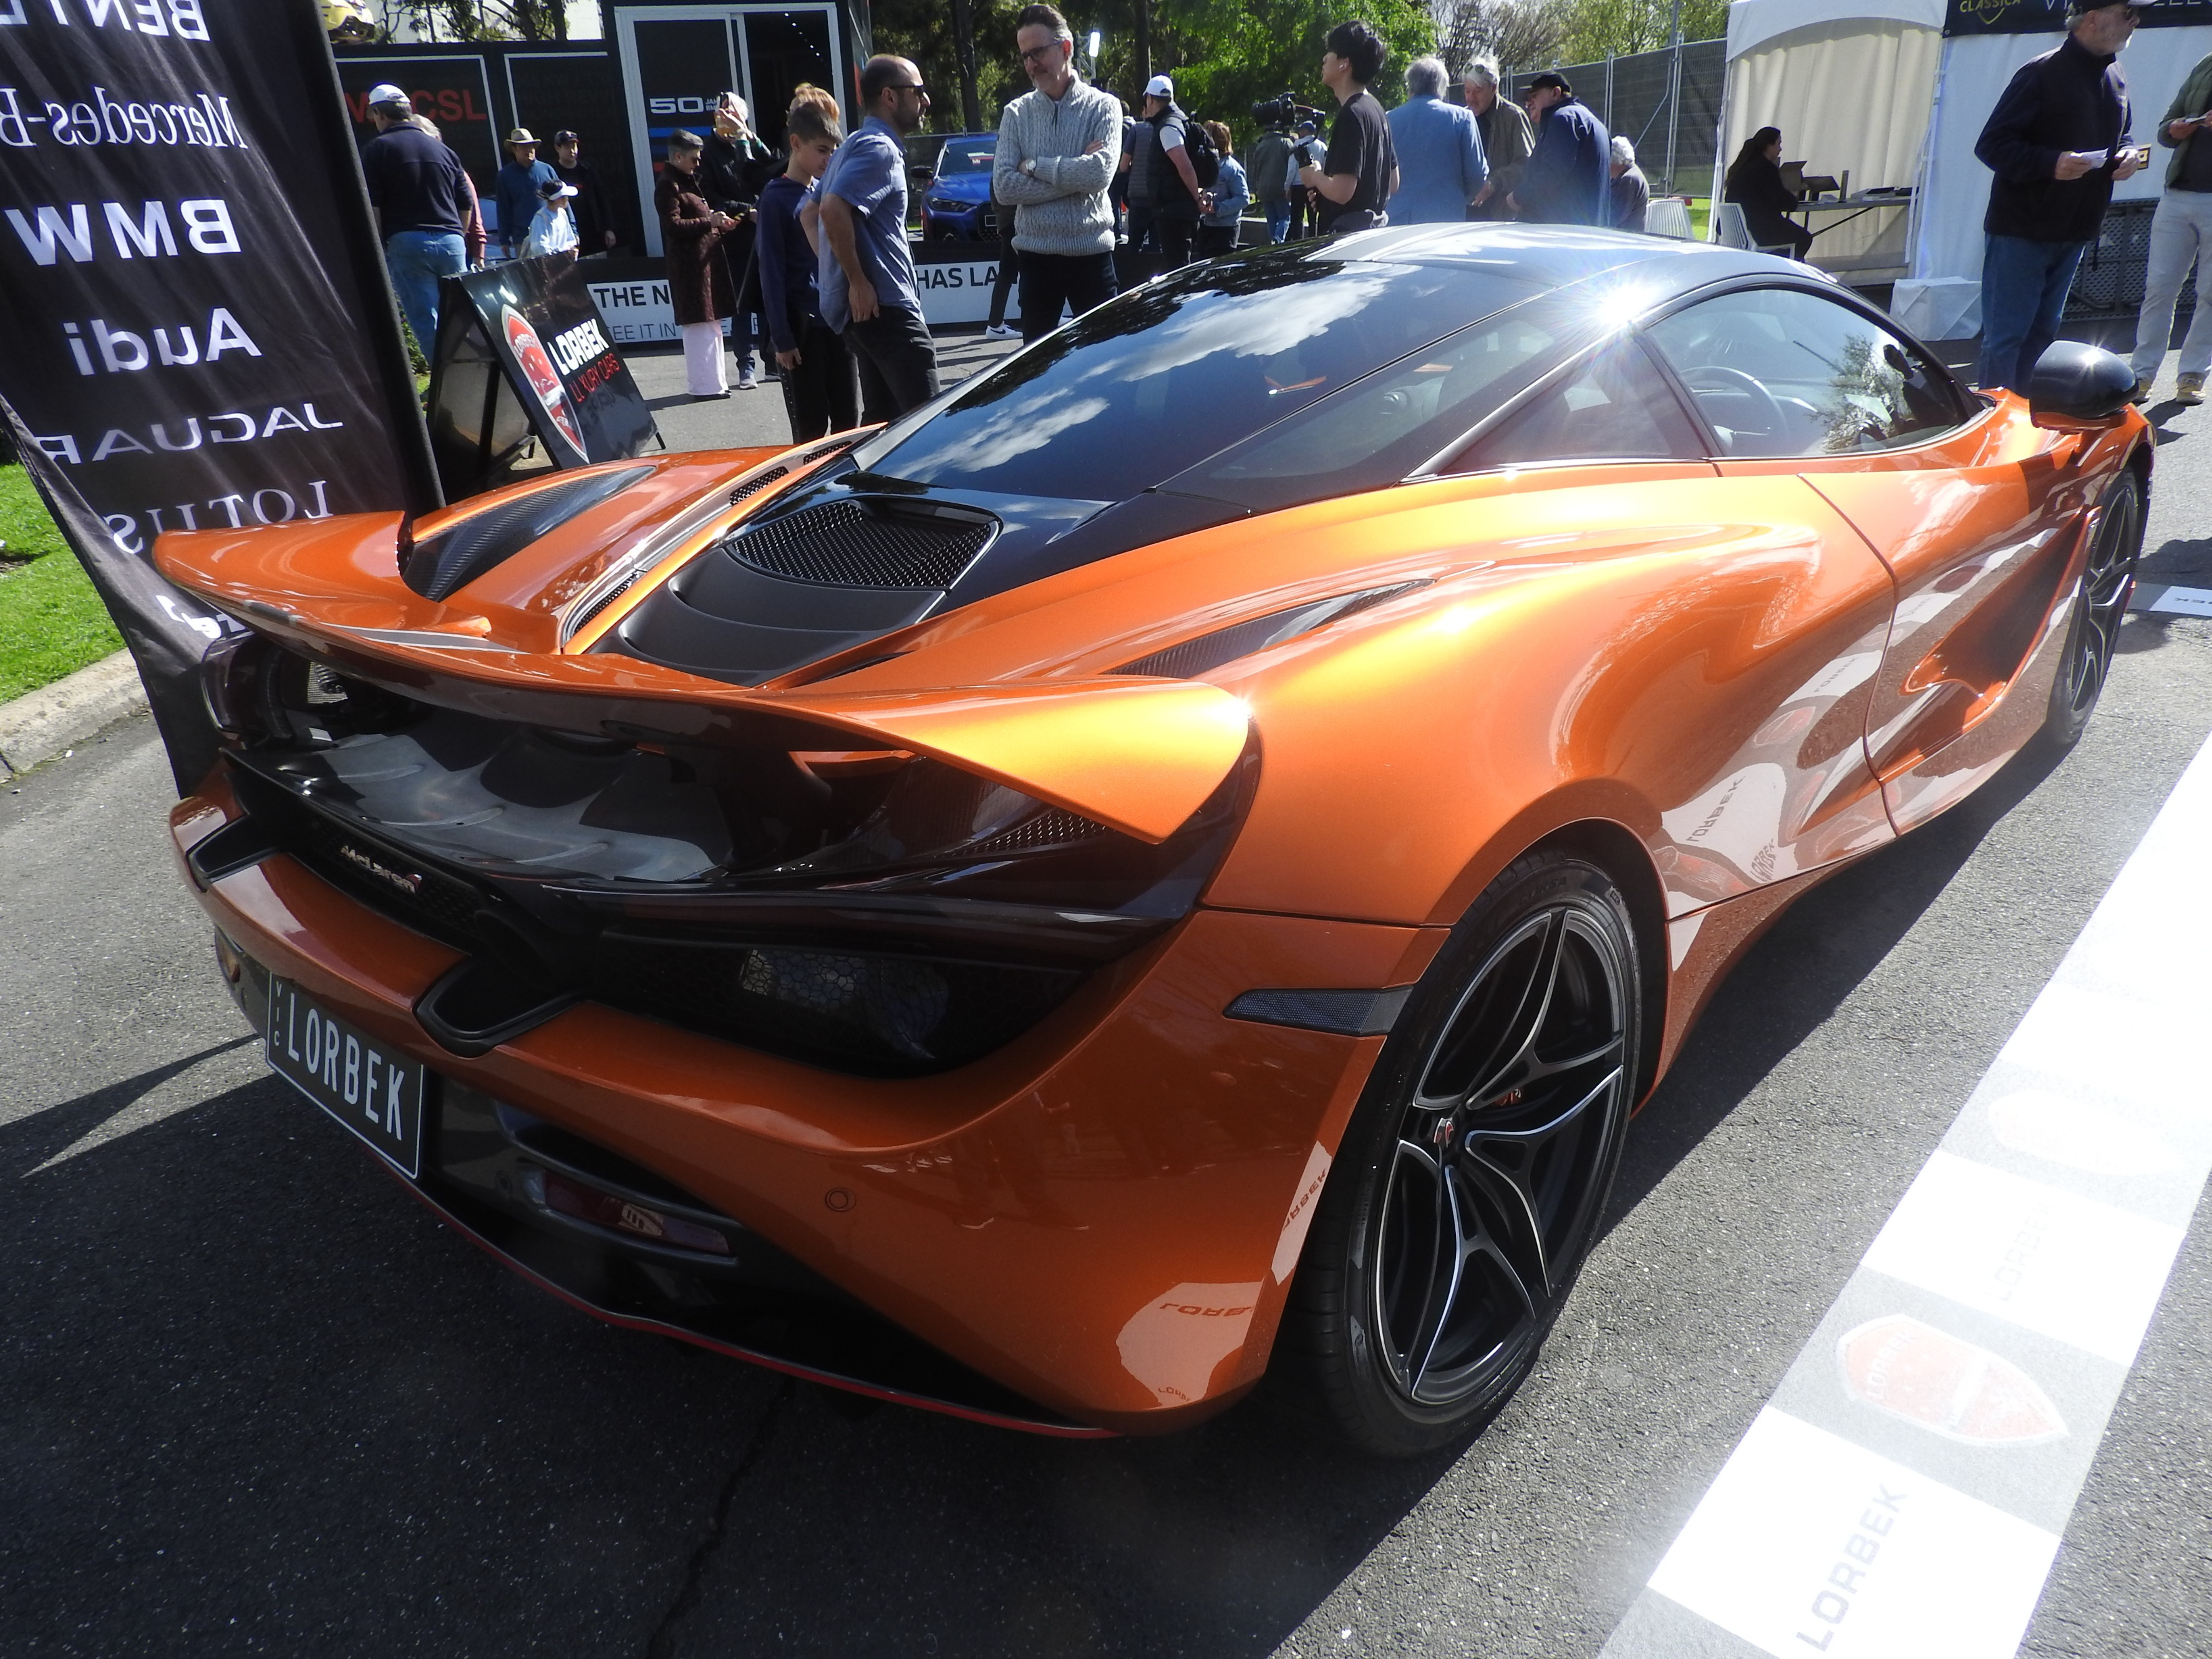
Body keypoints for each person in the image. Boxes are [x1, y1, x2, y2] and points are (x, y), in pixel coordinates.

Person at [1975, 0, 2142, 394]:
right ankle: (1996, 421)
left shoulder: (2115, 73)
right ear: (2092, 18)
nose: (2136, 21)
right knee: (2007, 338)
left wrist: (2130, 154)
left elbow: (2124, 134)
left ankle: (2031, 418)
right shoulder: (2041, 72)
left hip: (2075, 228)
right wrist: (2051, 163)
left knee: (2042, 335)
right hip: (2022, 230)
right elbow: (1992, 145)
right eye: (2127, 13)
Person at [992, 3, 1123, 342]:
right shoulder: (1016, 113)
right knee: (1038, 368)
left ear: (1066, 48)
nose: (1031, 65)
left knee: (1104, 360)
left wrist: (1037, 167)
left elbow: (1099, 175)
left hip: (1091, 255)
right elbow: (1005, 187)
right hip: (1035, 260)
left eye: (1037, 52)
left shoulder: (1104, 107)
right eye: (1025, 56)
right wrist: (1075, 174)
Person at [820, 56, 941, 422]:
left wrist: (841, 279)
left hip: (867, 314)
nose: (926, 100)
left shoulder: (851, 145)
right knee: (927, 427)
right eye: (918, 91)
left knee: (883, 429)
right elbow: (831, 209)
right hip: (887, 310)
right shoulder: (879, 149)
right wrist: (856, 281)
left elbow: (810, 213)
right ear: (890, 96)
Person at [759, 95, 858, 440]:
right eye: (821, 150)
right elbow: (770, 273)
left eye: (834, 151)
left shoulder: (827, 193)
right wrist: (782, 338)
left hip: (837, 323)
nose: (829, 159)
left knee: (849, 422)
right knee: (810, 431)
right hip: (802, 331)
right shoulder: (774, 198)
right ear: (796, 143)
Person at [2127, 46, 2212, 403]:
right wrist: (2176, 129)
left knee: (2210, 293)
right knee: (2159, 288)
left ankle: (2193, 373)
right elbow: (2165, 129)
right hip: (2178, 193)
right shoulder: (2206, 64)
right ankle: (2141, 374)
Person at [359, 84, 470, 354]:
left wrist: (379, 246)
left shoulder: (378, 149)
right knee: (463, 321)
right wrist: (459, 236)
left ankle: (445, 379)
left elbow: (374, 205)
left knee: (428, 323)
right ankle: (479, 373)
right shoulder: (444, 150)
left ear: (379, 114)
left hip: (408, 242)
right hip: (452, 242)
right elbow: (466, 202)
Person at [701, 92, 776, 389]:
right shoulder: (708, 152)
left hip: (763, 234)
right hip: (734, 238)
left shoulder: (749, 143)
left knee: (770, 300)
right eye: (725, 116)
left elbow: (773, 168)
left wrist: (749, 137)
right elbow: (710, 196)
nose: (729, 123)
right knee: (741, 305)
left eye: (736, 118)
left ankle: (773, 362)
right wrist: (746, 212)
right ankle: (746, 366)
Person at [657, 129, 738, 400]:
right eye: (694, 158)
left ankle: (716, 382)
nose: (698, 163)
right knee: (698, 327)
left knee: (711, 324)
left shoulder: (686, 182)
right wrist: (708, 222)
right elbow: (672, 225)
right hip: (689, 268)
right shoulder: (669, 185)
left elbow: (698, 218)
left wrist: (718, 223)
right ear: (678, 157)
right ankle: (704, 386)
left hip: (703, 265)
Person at [1299, 21, 1397, 236]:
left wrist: (1315, 176)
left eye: (1331, 52)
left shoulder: (1351, 114)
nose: (1325, 58)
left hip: (1346, 241)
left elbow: (1342, 192)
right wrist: (1326, 194)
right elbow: (1393, 182)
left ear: (1345, 63)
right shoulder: (1377, 109)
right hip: (1372, 233)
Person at [1386, 54, 1486, 225]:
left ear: (1410, 85)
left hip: (1397, 220)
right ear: (1441, 86)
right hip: (1445, 219)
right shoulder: (1462, 118)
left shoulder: (1388, 119)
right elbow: (1477, 175)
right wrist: (1459, 198)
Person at [1128, 74, 1211, 268]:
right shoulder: (1180, 121)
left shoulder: (1167, 127)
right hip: (1178, 209)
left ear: (1150, 99)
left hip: (1174, 212)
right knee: (1180, 264)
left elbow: (1185, 167)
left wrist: (1197, 198)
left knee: (1178, 267)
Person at [1512, 72, 1608, 226]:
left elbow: (1551, 174)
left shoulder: (1563, 118)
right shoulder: (1591, 120)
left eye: (1534, 97)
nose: (1529, 104)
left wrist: (1518, 197)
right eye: (1527, 101)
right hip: (1587, 229)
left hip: (1562, 230)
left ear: (1555, 93)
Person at [1723, 127, 1812, 258]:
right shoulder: (1766, 169)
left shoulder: (1740, 167)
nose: (1780, 149)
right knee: (1804, 238)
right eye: (1778, 144)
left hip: (1736, 229)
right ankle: (1783, 267)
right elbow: (1782, 200)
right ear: (1769, 146)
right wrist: (1793, 197)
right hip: (1758, 229)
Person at [1463, 59, 1533, 221]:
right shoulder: (1462, 118)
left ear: (1494, 88)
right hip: (1466, 215)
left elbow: (1527, 164)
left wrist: (1493, 184)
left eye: (1478, 91)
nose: (1471, 98)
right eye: (1467, 91)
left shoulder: (1513, 117)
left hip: (1502, 216)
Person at [552, 130, 620, 254]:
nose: (572, 151)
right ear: (557, 148)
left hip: (593, 230)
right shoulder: (554, 173)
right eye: (567, 147)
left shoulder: (587, 170)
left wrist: (609, 228)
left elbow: (602, 199)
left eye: (574, 146)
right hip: (567, 231)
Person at [495, 127, 558, 260]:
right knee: (529, 273)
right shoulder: (505, 176)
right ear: (514, 149)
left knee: (558, 271)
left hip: (552, 235)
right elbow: (503, 209)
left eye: (531, 146)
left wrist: (573, 228)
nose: (529, 150)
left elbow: (562, 199)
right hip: (523, 239)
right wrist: (504, 240)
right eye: (523, 146)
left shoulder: (547, 170)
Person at [1198, 122, 1248, 255]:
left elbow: (1243, 198)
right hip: (1206, 225)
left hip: (1226, 229)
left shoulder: (1232, 169)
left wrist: (1217, 207)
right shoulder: (1205, 165)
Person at [1249, 117, 1294, 243]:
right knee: (1285, 217)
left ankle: (1273, 241)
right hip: (1280, 188)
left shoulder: (1260, 146)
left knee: (1271, 219)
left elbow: (1256, 169)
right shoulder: (1285, 143)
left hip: (1264, 189)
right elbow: (1292, 165)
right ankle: (1278, 240)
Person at [521, 177, 580, 260]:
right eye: (565, 196)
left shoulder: (562, 213)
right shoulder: (541, 218)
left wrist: (572, 250)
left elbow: (570, 239)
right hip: (546, 265)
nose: (567, 199)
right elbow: (539, 248)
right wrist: (562, 253)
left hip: (563, 263)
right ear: (558, 199)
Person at [1609, 134, 1651, 233]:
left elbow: (1613, 217)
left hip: (1625, 236)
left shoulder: (1628, 180)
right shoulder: (1632, 174)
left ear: (1616, 161)